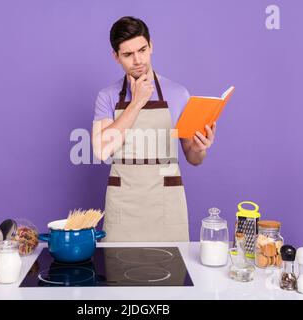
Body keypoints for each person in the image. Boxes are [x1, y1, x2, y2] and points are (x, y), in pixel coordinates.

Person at [92, 16, 217, 242]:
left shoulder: (179, 94)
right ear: (116, 57)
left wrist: (200, 147)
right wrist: (136, 102)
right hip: (124, 209)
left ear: (151, 46)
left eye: (142, 50)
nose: (138, 60)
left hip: (166, 208)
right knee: (120, 275)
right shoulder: (107, 97)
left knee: (171, 275)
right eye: (128, 55)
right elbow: (102, 150)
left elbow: (194, 157)